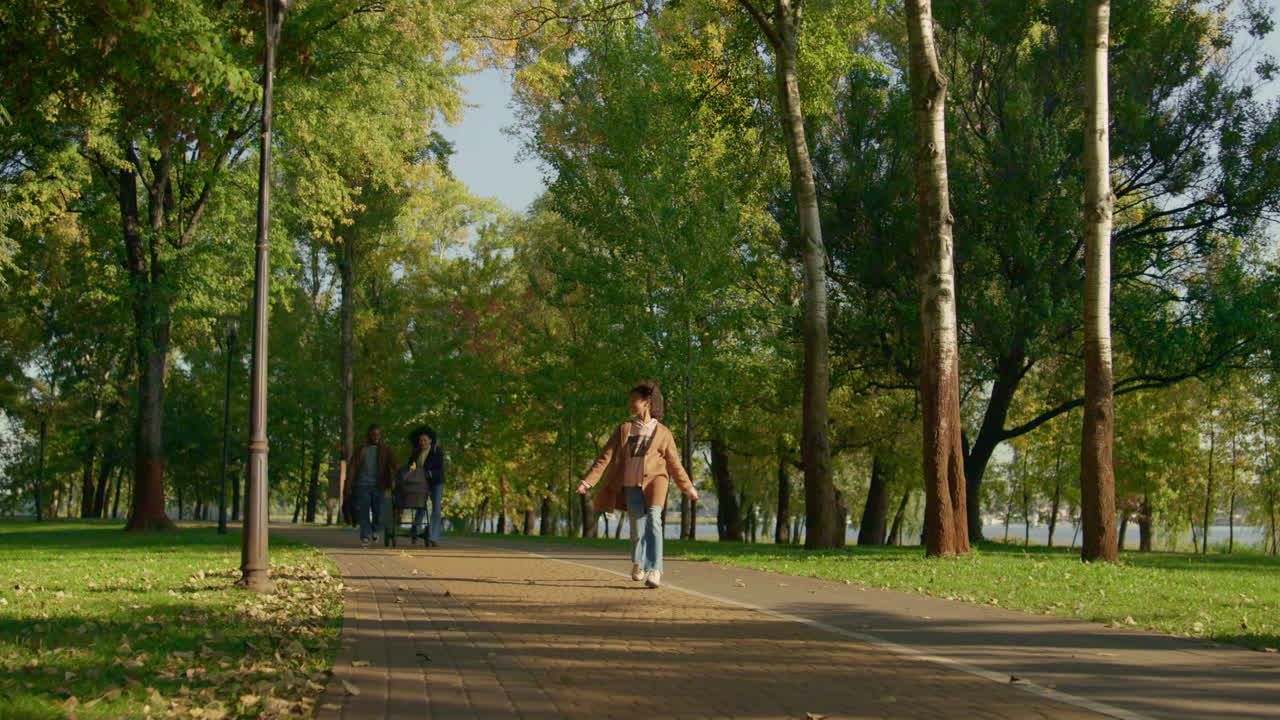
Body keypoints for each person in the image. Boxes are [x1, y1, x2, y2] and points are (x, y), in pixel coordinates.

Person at [577, 381, 697, 588]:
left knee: (654, 519)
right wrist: (587, 482)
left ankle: (656, 570)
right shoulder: (624, 429)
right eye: (630, 401)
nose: (631, 405)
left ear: (648, 403)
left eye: (635, 401)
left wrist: (687, 487)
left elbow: (674, 463)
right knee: (636, 528)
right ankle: (638, 562)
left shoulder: (663, 433)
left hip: (656, 482)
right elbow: (605, 457)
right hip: (630, 484)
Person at [346, 425, 396, 547]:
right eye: (373, 434)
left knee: (378, 512)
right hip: (362, 485)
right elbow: (352, 468)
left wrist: (408, 472)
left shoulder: (386, 450)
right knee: (363, 512)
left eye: (378, 434)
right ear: (368, 436)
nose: (376, 437)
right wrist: (348, 485)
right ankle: (365, 536)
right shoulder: (360, 450)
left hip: (379, 486)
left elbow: (395, 465)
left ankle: (375, 530)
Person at [406, 426, 446, 547]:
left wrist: (427, 473)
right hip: (422, 483)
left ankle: (434, 537)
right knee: (420, 506)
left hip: (436, 482)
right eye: (420, 440)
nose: (422, 442)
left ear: (430, 440)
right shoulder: (416, 452)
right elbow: (411, 466)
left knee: (436, 509)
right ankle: (416, 530)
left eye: (424, 440)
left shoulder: (437, 451)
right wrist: (411, 471)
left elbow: (439, 468)